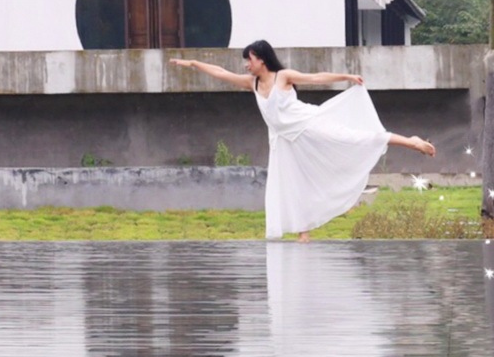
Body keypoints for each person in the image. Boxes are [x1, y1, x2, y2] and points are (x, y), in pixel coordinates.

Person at [171, 41, 435, 241]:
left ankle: (411, 142)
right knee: (291, 185)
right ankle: (303, 232)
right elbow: (220, 73)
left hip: (309, 125)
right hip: (284, 140)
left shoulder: (282, 77)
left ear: (261, 60)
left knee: (354, 139)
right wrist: (194, 64)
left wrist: (345, 77)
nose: (245, 64)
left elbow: (315, 77)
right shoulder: (250, 83)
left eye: (248, 60)